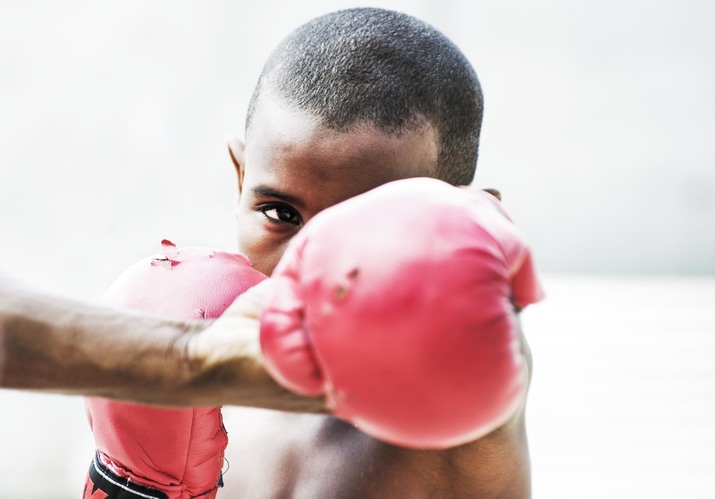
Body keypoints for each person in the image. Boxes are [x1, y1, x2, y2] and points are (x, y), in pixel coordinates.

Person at [0, 7, 542, 498]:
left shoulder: (461, 400)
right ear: (241, 178)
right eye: (282, 214)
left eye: (355, 231)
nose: (301, 267)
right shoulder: (198, 338)